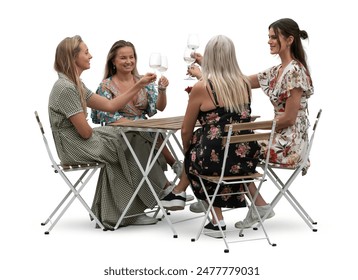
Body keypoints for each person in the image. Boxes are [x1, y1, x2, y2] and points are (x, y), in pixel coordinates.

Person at [48, 35, 169, 230]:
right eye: (86, 52)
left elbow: (110, 106)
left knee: (130, 137)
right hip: (74, 147)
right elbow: (86, 133)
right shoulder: (65, 88)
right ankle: (164, 190)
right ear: (72, 57)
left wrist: (139, 85)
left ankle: (130, 211)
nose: (91, 56)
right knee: (128, 141)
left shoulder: (75, 84)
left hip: (81, 141)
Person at [161, 35, 262, 238]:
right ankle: (179, 193)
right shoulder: (244, 84)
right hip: (245, 157)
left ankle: (213, 218)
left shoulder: (201, 87)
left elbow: (186, 130)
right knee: (206, 152)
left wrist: (186, 149)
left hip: (215, 159)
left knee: (195, 156)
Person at [234, 18, 314, 229]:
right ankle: (257, 204)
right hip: (280, 135)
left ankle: (257, 205)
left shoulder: (294, 71)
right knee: (233, 144)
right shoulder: (279, 70)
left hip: (289, 143)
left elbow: (288, 118)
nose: (269, 41)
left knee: (234, 148)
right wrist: (211, 66)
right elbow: (243, 82)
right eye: (268, 37)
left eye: (273, 37)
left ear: (289, 40)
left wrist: (252, 128)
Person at [91, 40, 183, 179]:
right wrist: (137, 125)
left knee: (155, 132)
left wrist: (162, 90)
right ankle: (174, 169)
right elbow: (108, 117)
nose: (129, 61)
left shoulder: (143, 80)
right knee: (146, 134)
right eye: (123, 58)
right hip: (119, 132)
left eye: (131, 57)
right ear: (113, 62)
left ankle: (174, 173)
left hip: (144, 129)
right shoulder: (106, 86)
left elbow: (159, 107)